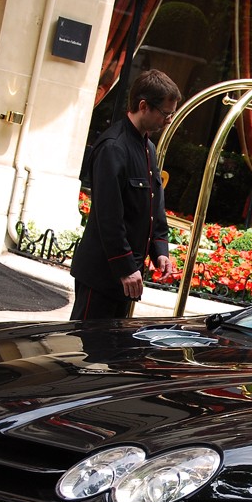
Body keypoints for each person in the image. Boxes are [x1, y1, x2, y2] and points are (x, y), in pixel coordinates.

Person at [70, 69, 181, 320]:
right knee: (82, 351)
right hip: (102, 275)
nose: (169, 120)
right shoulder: (113, 147)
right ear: (144, 106)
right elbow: (108, 216)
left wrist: (160, 250)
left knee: (111, 354)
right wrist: (125, 267)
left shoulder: (148, 148)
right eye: (165, 113)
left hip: (127, 275)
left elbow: (154, 206)